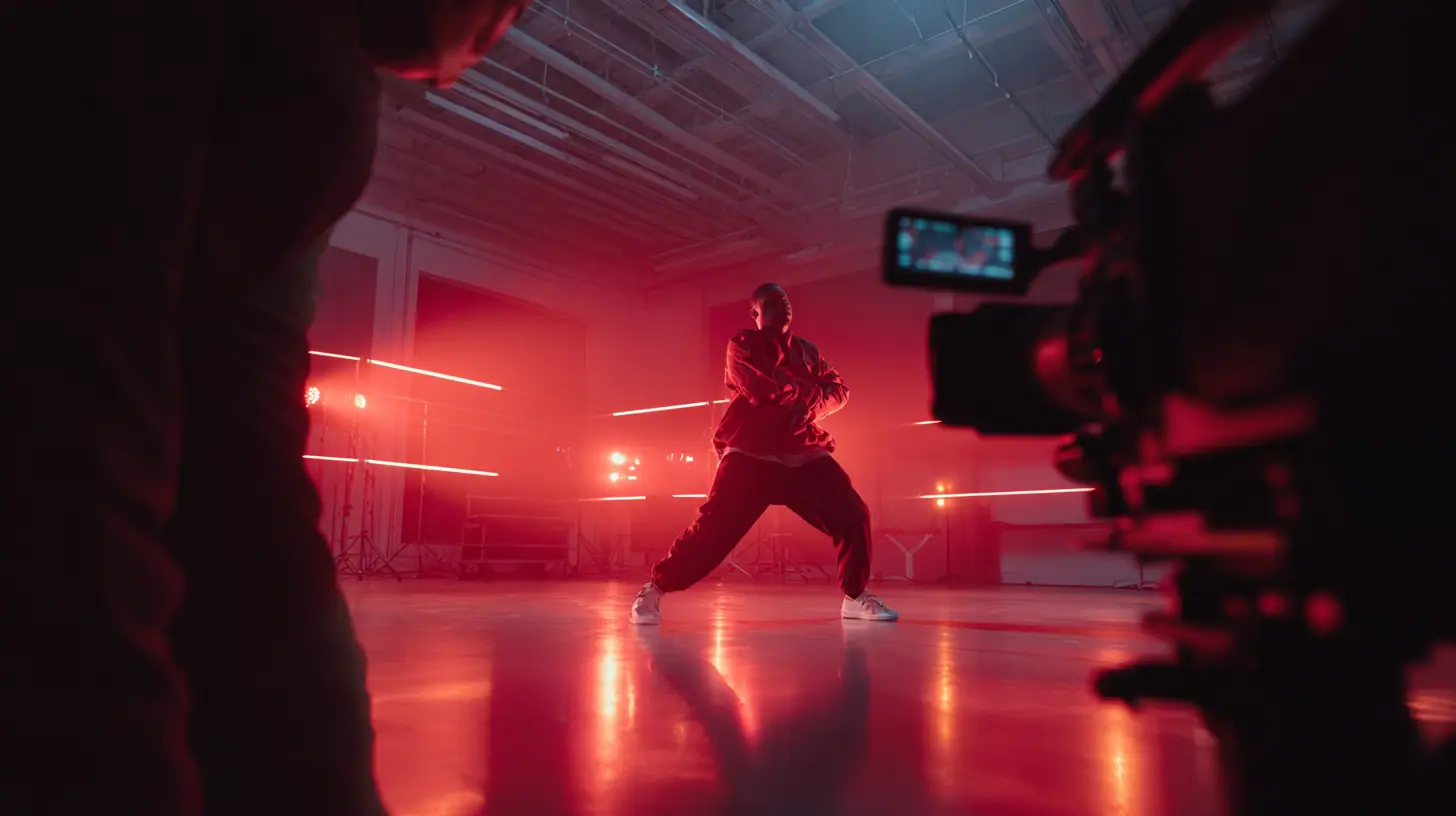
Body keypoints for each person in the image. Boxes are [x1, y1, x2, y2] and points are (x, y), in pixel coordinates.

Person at [1, 2, 526, 815]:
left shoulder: (322, 75)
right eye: (508, 7)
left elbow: (244, 418)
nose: (499, 32)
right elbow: (73, 362)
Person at [630, 284, 898, 625]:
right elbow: (761, 388)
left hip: (802, 451)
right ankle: (654, 588)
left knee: (854, 514)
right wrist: (811, 392)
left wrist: (806, 400)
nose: (783, 306)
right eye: (772, 302)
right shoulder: (742, 344)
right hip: (752, 452)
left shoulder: (808, 351)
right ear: (754, 314)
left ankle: (855, 597)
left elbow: (839, 390)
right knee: (714, 529)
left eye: (785, 301)